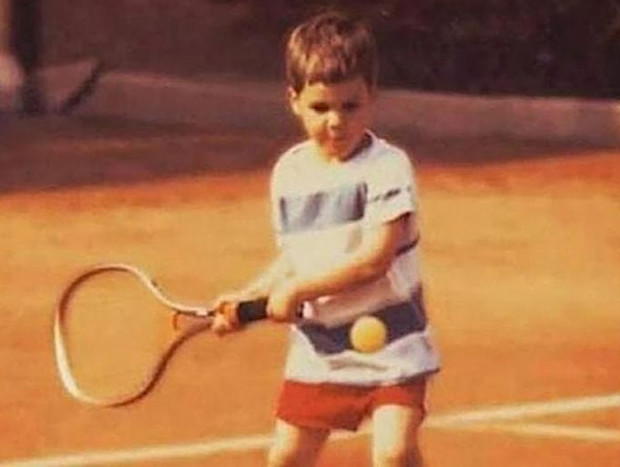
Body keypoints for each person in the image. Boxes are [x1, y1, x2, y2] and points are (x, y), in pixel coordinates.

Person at [213, 10, 440, 467]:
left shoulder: (387, 167)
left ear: (371, 97)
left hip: (394, 347)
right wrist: (250, 296)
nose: (335, 121)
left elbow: (374, 260)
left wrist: (296, 291)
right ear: (294, 100)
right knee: (286, 458)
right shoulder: (289, 173)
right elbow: (294, 259)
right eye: (320, 108)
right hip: (321, 352)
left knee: (394, 453)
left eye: (349, 106)